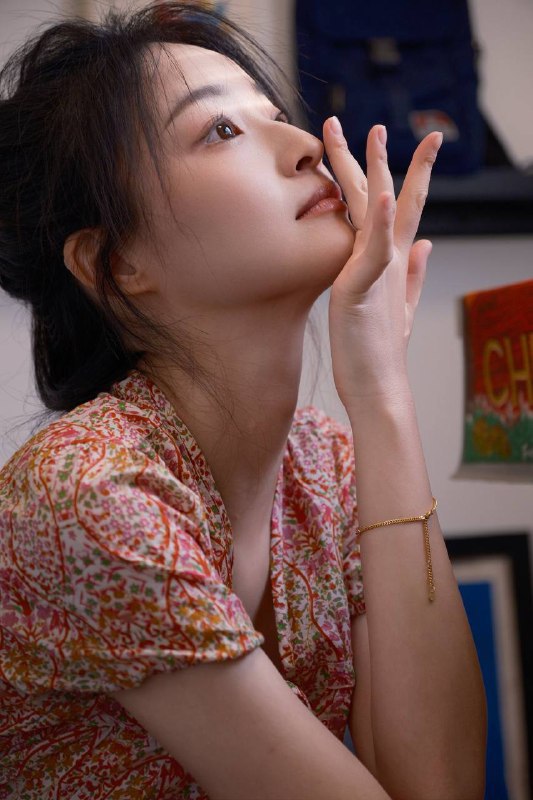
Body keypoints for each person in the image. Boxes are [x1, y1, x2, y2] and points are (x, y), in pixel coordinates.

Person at [0, 2, 487, 799]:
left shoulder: (322, 462)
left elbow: (440, 783)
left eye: (276, 116)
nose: (307, 146)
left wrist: (382, 390)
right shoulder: (88, 493)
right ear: (118, 264)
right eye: (221, 130)